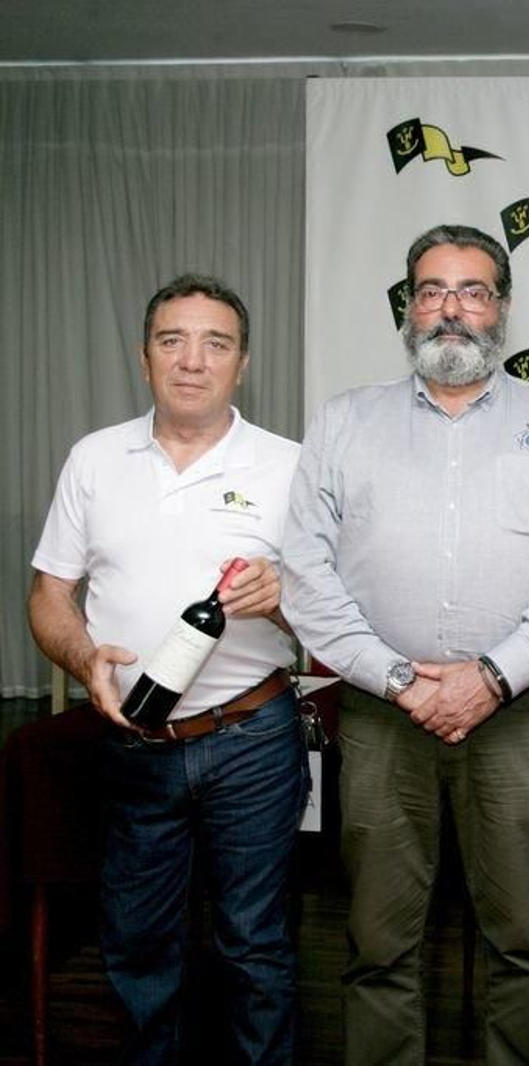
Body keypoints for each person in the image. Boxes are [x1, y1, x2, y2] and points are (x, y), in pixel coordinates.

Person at [281, 224, 529, 1064]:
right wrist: (401, 680)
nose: (451, 309)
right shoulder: (344, 422)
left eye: (472, 291)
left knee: (524, 941)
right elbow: (305, 575)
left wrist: (491, 678)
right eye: (432, 291)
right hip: (382, 717)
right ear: (409, 306)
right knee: (377, 943)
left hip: (516, 718)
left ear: (502, 307)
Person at [28, 274, 306, 1063]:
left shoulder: (291, 466)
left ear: (242, 364)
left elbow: (332, 622)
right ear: (143, 356)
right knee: (139, 944)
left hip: (252, 740)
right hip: (135, 741)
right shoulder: (95, 459)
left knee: (255, 946)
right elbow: (49, 594)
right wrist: (85, 656)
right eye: (172, 340)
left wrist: (283, 597)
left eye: (216, 344)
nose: (192, 360)